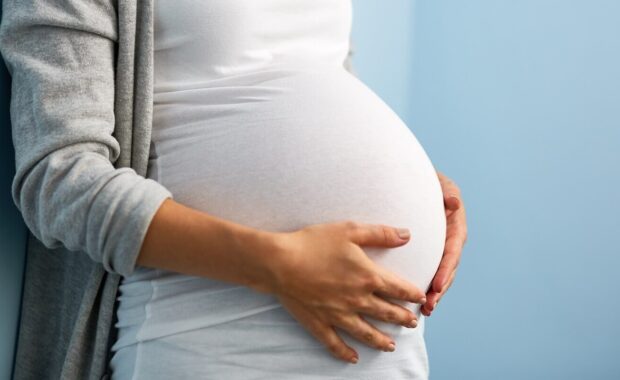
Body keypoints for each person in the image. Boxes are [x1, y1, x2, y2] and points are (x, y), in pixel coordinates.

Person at [0, 0, 468, 379]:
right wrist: (277, 265)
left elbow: (314, 82)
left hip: (379, 345)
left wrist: (425, 185)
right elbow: (59, 180)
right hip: (209, 333)